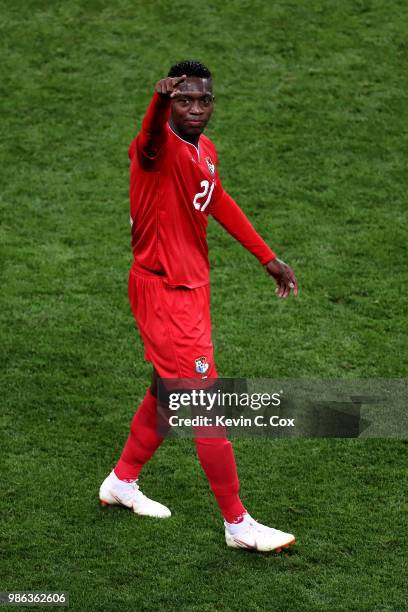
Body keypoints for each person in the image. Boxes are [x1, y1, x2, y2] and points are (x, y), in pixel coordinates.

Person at [99, 60, 298, 552]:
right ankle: (238, 524)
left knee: (166, 390)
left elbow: (218, 199)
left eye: (202, 100)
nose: (194, 108)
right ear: (170, 101)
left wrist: (266, 257)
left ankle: (121, 482)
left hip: (190, 290)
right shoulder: (155, 149)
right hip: (163, 292)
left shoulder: (203, 150)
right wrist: (155, 103)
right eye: (183, 99)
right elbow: (147, 140)